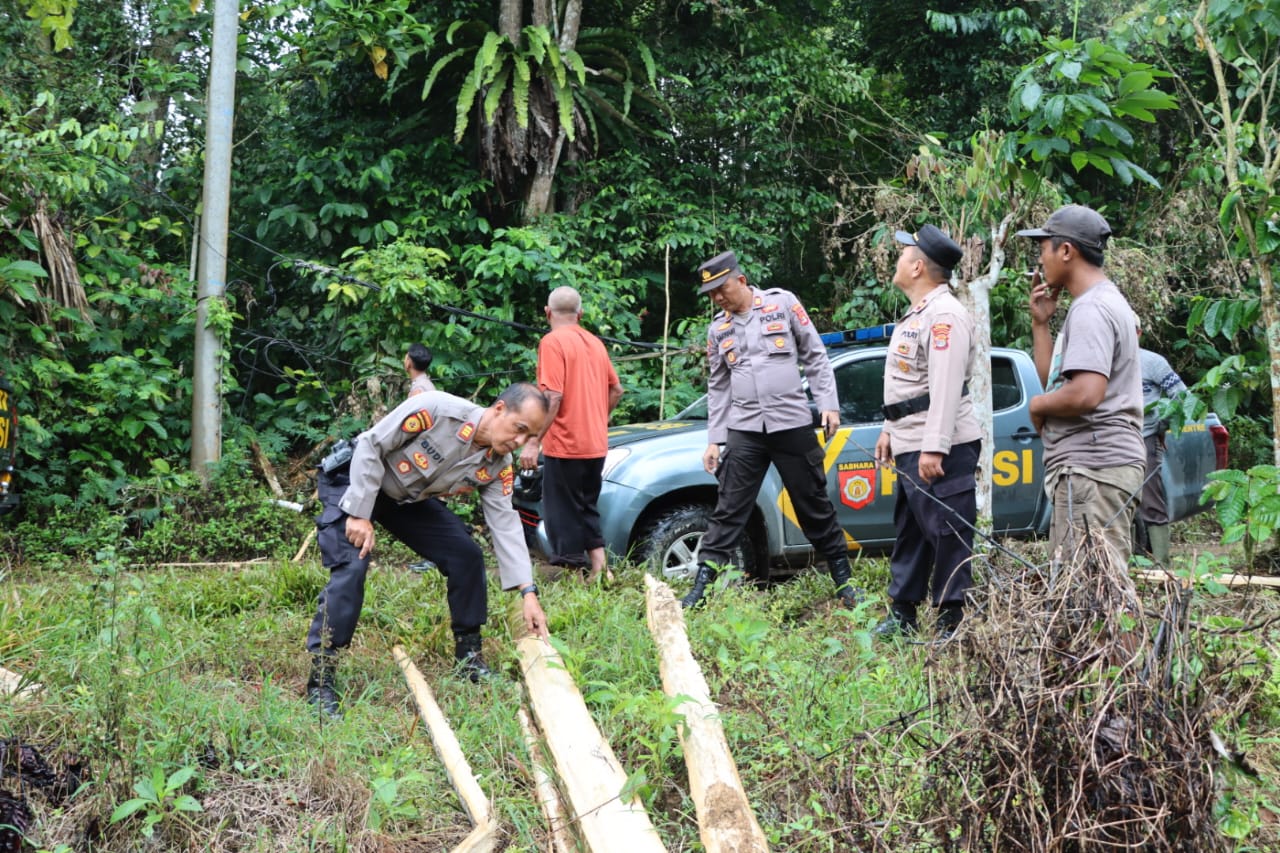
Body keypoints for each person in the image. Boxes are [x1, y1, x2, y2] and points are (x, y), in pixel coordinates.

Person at [304, 383, 551, 718]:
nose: (519, 442)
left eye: (529, 437)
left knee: (466, 555)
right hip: (354, 478)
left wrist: (528, 592)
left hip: (403, 499)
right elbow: (371, 445)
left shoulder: (498, 465)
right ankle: (321, 680)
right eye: (519, 429)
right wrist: (360, 513)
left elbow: (506, 525)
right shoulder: (436, 410)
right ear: (498, 409)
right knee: (353, 565)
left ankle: (469, 657)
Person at [680, 250, 858, 609]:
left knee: (812, 504)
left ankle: (844, 582)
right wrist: (715, 440)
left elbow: (815, 355)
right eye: (711, 294)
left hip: (790, 422)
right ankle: (700, 588)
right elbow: (719, 387)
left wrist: (828, 404)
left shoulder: (782, 304)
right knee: (729, 508)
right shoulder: (718, 329)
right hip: (746, 430)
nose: (718, 297)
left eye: (722, 288)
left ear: (741, 281)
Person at [871, 225, 981, 639]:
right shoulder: (918, 313)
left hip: (939, 445)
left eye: (903, 254)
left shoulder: (945, 316)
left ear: (917, 267)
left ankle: (952, 619)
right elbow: (907, 384)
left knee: (948, 532)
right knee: (912, 530)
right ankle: (903, 613)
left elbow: (947, 388)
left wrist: (935, 449)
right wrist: (888, 429)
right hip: (910, 438)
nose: (897, 259)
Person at [1021, 204, 1145, 567]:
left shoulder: (1092, 309)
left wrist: (1037, 408)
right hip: (1092, 469)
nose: (1040, 259)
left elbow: (1086, 393)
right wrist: (1041, 324)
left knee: (1086, 596)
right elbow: (1055, 382)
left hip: (1094, 469)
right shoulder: (1092, 304)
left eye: (1043, 248)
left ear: (1066, 251)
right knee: (1087, 593)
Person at [518, 286, 624, 583]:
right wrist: (596, 418)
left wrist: (534, 440)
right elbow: (616, 389)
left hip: (565, 444)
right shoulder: (595, 343)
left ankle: (575, 576)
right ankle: (601, 570)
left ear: (547, 312)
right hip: (596, 443)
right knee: (586, 507)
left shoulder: (552, 342)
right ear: (581, 314)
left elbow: (552, 396)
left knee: (561, 512)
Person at [1136, 319, 1188, 565]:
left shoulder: (1152, 362)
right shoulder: (1105, 360)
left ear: (1138, 332)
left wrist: (1162, 426)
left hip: (1144, 437)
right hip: (1110, 441)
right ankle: (1129, 562)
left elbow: (1182, 396)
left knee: (1150, 501)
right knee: (1120, 500)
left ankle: (1161, 566)